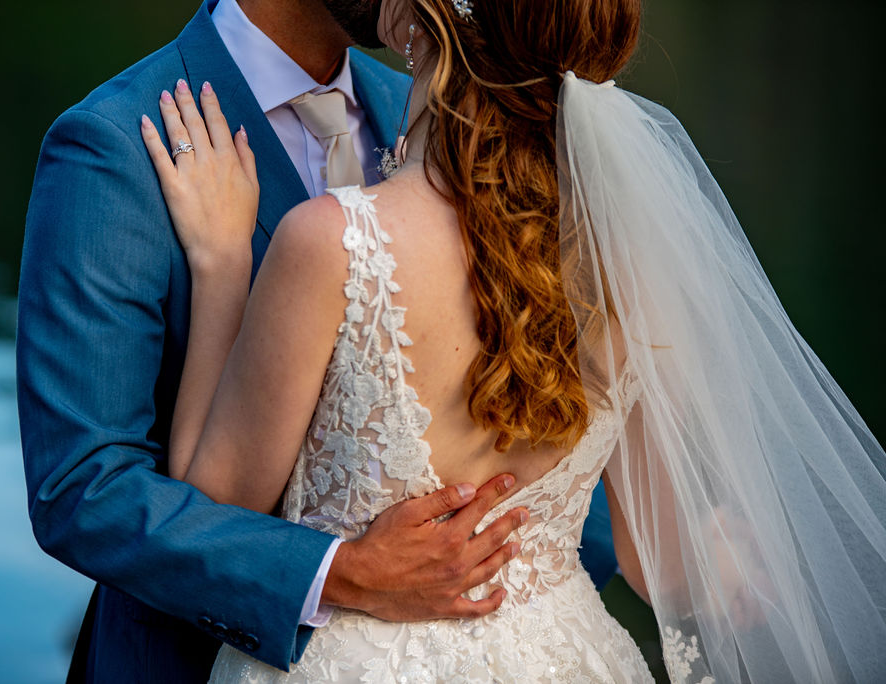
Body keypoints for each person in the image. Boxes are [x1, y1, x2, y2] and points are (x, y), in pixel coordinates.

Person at [142, 0, 886, 681]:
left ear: (430, 19)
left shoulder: (334, 245)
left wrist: (222, 264)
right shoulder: (630, 269)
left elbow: (208, 509)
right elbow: (655, 565)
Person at [18, 0, 618, 681]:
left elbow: (542, 396)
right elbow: (83, 487)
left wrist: (524, 612)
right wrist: (340, 574)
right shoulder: (120, 140)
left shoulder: (442, 101)